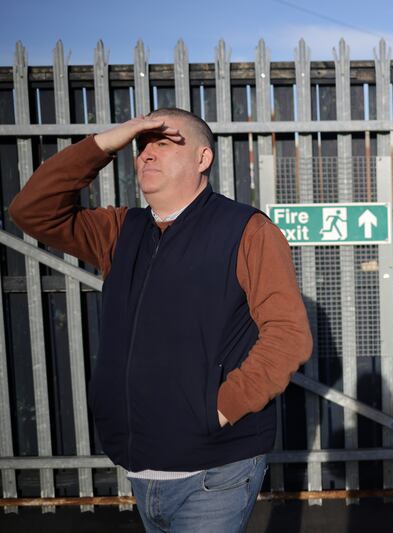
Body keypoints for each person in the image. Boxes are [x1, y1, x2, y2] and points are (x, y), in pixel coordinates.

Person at [9, 108, 313, 532]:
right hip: (141, 464)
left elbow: (289, 335)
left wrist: (222, 408)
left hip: (215, 468)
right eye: (141, 145)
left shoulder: (247, 230)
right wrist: (107, 142)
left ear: (202, 159)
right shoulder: (120, 230)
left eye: (164, 143)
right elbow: (32, 210)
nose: (146, 154)